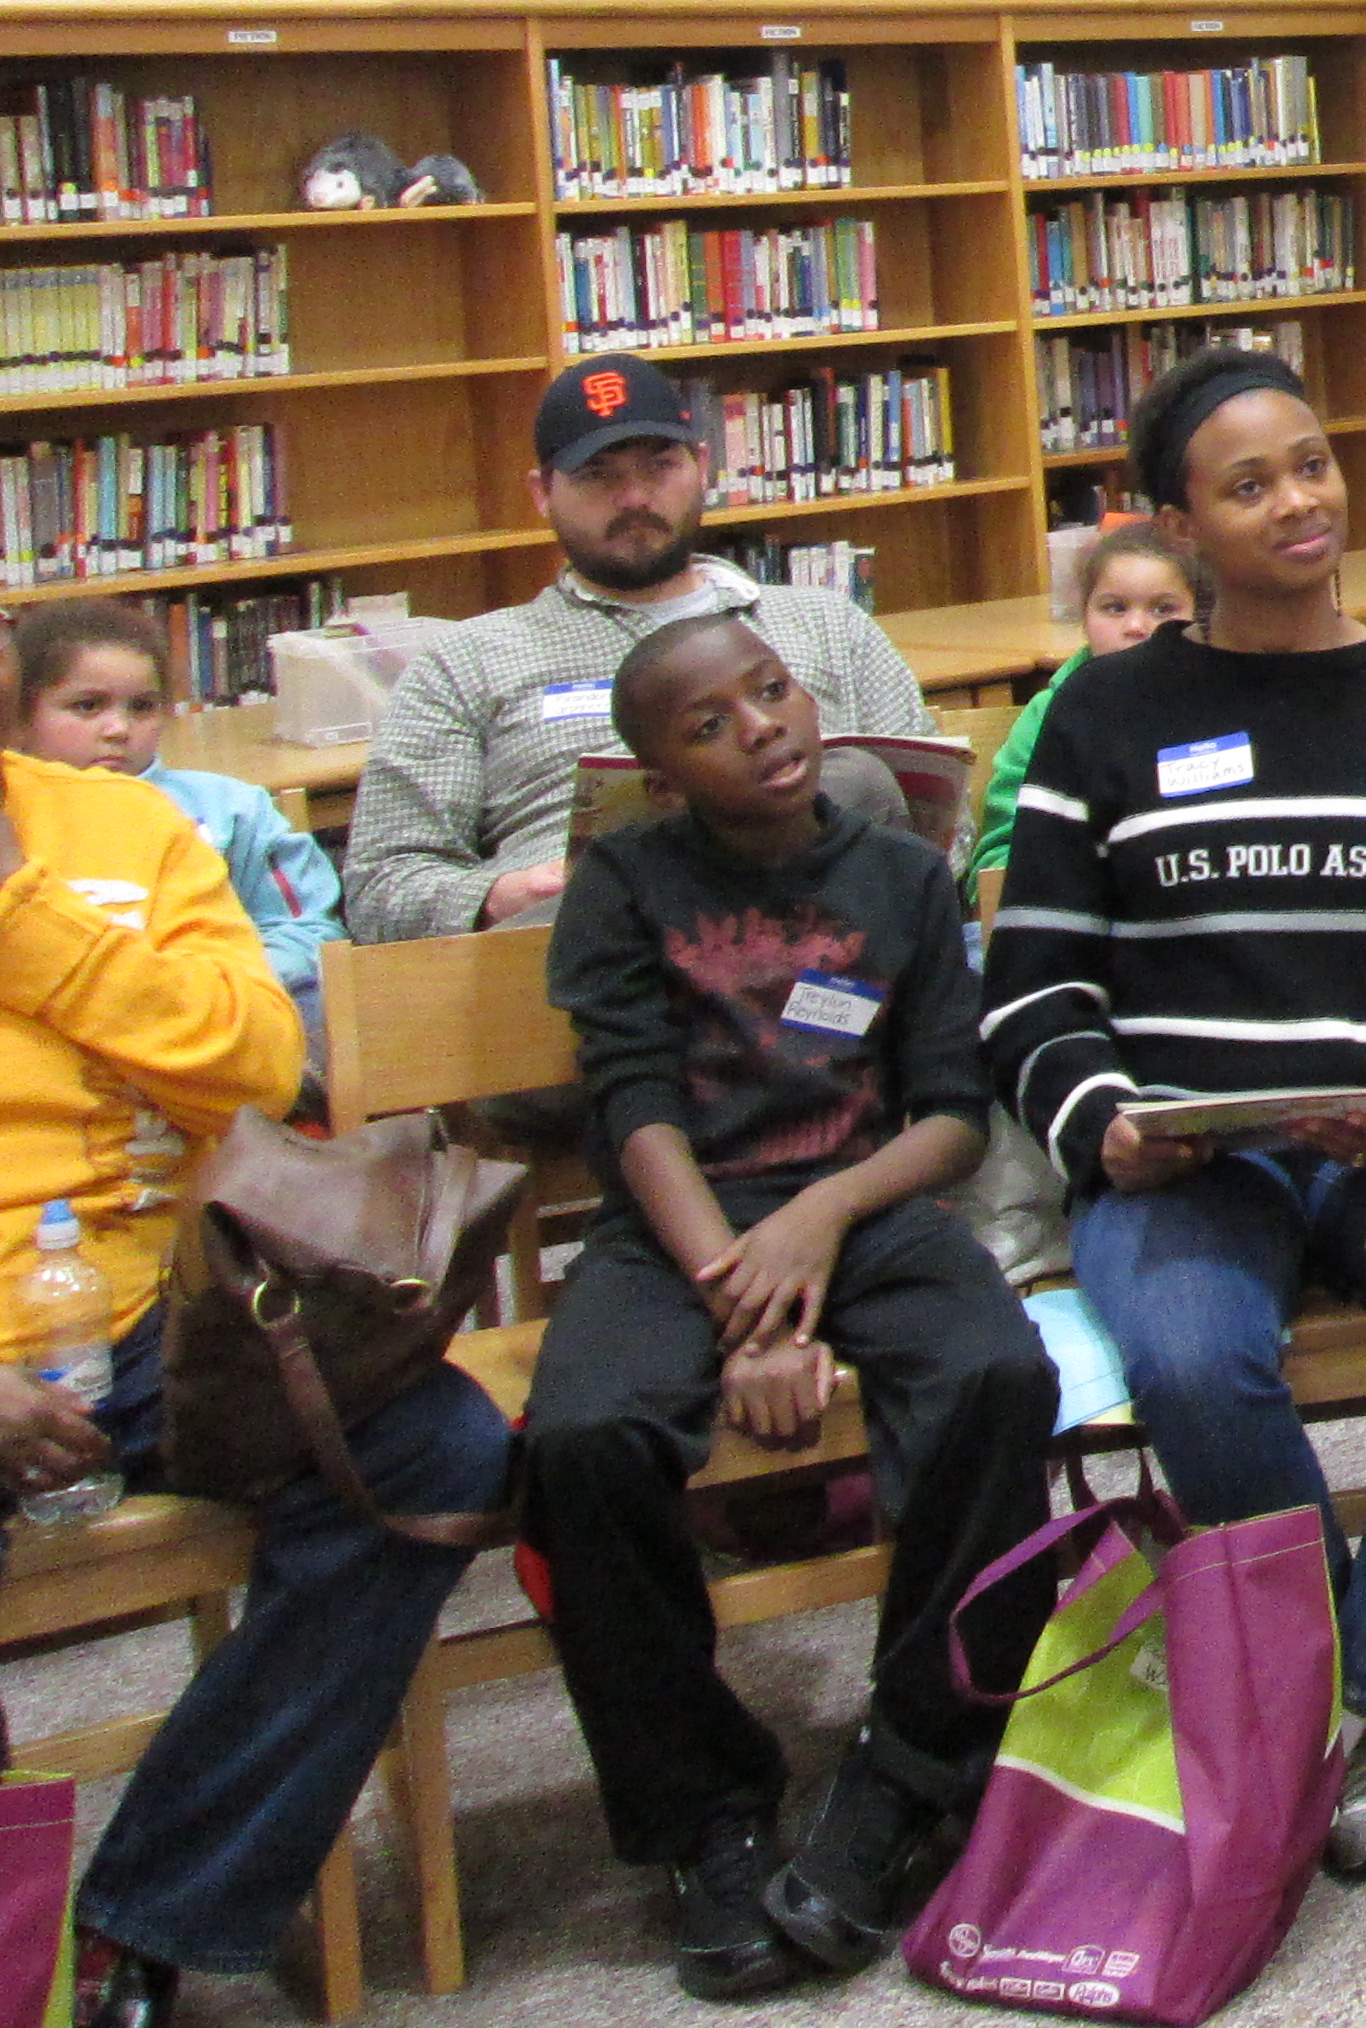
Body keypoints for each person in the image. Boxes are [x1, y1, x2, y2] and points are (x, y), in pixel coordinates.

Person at [981, 349, 1366, 1889]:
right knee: (1189, 1357)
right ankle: (1336, 1685)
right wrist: (1105, 1126)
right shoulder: (1104, 718)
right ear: (1179, 526)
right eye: (1249, 484)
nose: (1298, 502)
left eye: (1311, 464)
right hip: (1192, 1150)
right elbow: (1032, 986)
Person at [530, 615, 1057, 1998]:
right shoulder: (625, 880)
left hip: (869, 1205)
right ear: (659, 777)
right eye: (710, 723)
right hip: (678, 1227)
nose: (759, 725)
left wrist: (823, 1221)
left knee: (996, 1378)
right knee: (582, 1440)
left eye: (770, 692)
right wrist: (747, 1307)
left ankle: (913, 1765)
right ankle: (706, 1812)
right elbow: (632, 1103)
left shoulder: (900, 875)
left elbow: (949, 1117)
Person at [0, 744, 512, 2028]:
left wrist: (25, 916)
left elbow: (252, 1064)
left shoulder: (118, 826)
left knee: (435, 1450)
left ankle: (144, 1915)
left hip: (141, 1318)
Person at [350, 357, 934, 944]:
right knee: (609, 892)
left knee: (857, 783)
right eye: (597, 475)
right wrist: (498, 895)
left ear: (702, 466)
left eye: (659, 465)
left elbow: (936, 828)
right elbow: (380, 888)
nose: (633, 496)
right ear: (542, 493)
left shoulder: (827, 624)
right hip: (589, 951)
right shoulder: (464, 662)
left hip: (825, 936)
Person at [9, 599, 340, 1061]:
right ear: (20, 718)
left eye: (142, 707)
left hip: (209, 1032)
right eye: (87, 706)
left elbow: (307, 930)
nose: (118, 728)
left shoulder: (231, 810)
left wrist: (211, 987)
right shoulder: (14, 818)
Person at [960, 527, 1195, 887]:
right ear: (1084, 616)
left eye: (1163, 609)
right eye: (1113, 608)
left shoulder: (1219, 704)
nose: (1136, 626)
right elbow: (1001, 851)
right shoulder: (1051, 712)